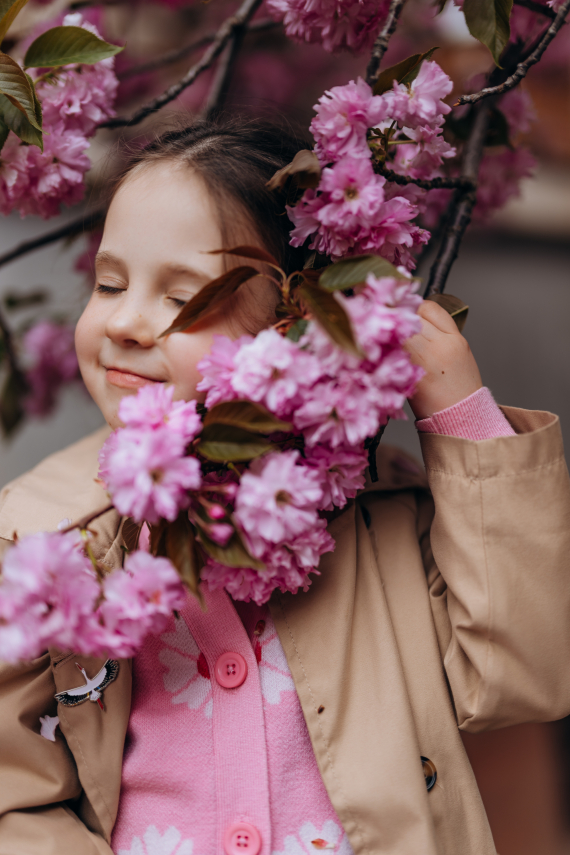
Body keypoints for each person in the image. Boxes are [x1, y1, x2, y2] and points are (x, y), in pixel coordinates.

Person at [1, 117, 570, 855]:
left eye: (183, 298)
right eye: (109, 283)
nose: (127, 322)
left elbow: (523, 672)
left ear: (300, 326)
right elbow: (13, 796)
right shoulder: (42, 540)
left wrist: (462, 417)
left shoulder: (386, 523)